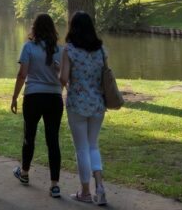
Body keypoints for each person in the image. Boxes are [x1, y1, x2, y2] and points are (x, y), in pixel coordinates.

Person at [11, 13, 64, 197]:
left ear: (34, 28)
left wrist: (14, 97)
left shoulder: (28, 47)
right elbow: (64, 78)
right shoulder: (61, 50)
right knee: (53, 140)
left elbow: (22, 74)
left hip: (33, 96)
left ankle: (24, 173)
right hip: (54, 98)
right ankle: (54, 185)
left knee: (29, 135)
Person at [60, 11, 109, 205]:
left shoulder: (69, 50)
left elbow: (64, 78)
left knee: (81, 148)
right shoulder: (101, 50)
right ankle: (100, 187)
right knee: (93, 145)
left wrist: (59, 72)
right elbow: (105, 75)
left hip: (77, 104)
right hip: (97, 103)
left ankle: (86, 192)